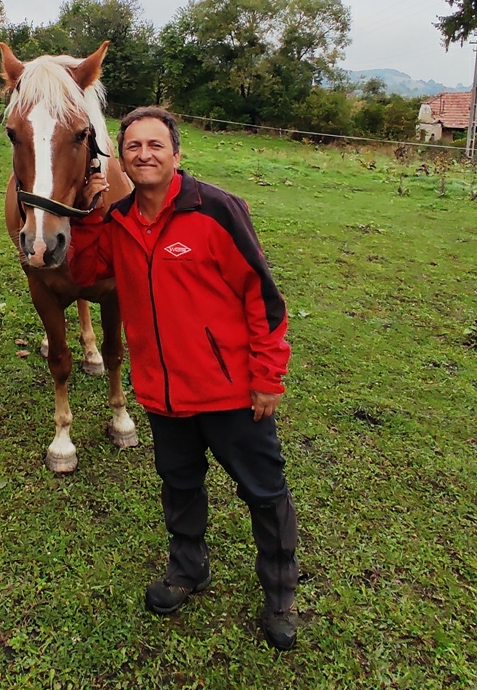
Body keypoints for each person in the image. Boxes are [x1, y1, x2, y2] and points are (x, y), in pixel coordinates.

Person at [68, 106, 299, 651]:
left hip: (230, 391)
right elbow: (84, 274)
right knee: (180, 485)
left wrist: (268, 375)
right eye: (133, 146)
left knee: (264, 492)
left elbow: (262, 296)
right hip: (162, 393)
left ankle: (280, 595)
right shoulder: (119, 220)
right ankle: (188, 568)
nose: (143, 154)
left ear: (176, 153)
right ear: (121, 158)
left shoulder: (216, 209)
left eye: (155, 144)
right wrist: (89, 213)